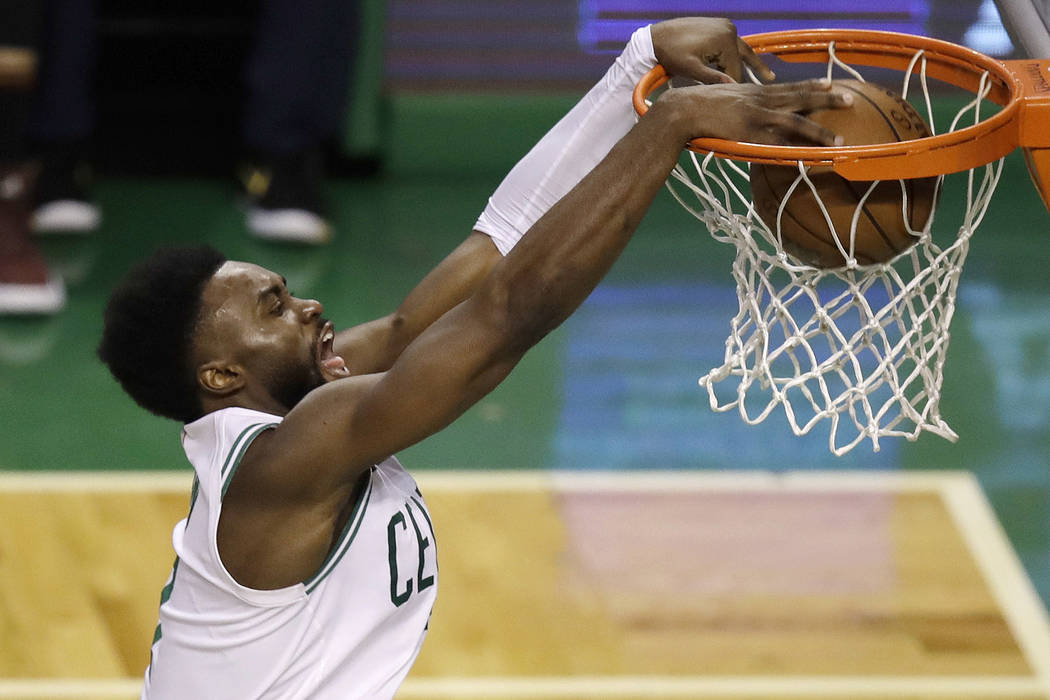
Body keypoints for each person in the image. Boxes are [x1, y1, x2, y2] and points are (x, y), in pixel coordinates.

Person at [98, 18, 848, 700]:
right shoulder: (288, 457)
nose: (312, 308)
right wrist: (667, 130)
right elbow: (508, 316)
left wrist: (636, 69)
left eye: (287, 292)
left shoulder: (297, 410)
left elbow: (492, 248)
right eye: (275, 310)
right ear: (223, 378)